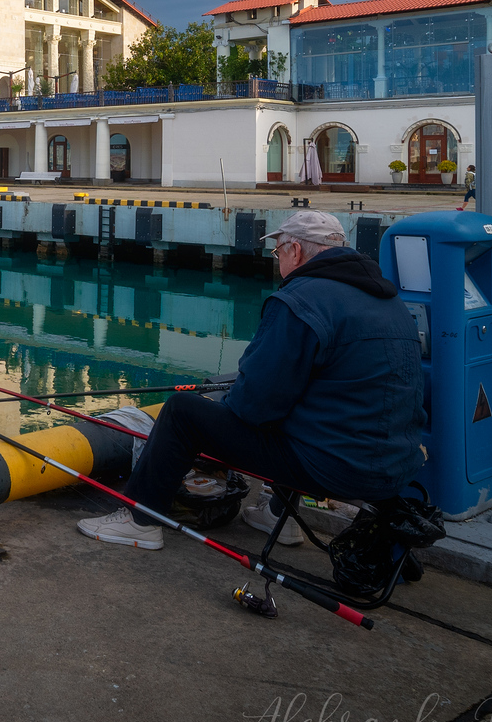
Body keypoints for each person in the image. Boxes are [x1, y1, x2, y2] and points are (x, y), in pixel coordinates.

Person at [77, 210, 426, 550]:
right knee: (304, 407)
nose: (278, 262)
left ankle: (141, 521)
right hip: (397, 465)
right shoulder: (389, 299)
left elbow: (255, 405)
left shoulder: (300, 300)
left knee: (182, 412)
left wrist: (223, 405)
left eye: (278, 252)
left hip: (334, 466)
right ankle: (278, 516)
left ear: (296, 250)